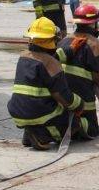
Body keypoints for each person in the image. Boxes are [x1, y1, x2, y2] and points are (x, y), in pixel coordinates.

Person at [7, 17, 84, 150]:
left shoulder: (24, 56)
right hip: (38, 112)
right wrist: (79, 105)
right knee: (73, 124)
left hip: (17, 111)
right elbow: (63, 96)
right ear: (50, 40)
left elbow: (45, 58)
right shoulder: (52, 64)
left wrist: (70, 50)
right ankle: (43, 135)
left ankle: (30, 132)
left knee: (38, 108)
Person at [57, 4, 99, 139]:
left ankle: (64, 125)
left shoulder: (63, 41)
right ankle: (78, 125)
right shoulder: (94, 45)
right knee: (92, 130)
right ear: (93, 25)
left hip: (61, 101)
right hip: (83, 104)